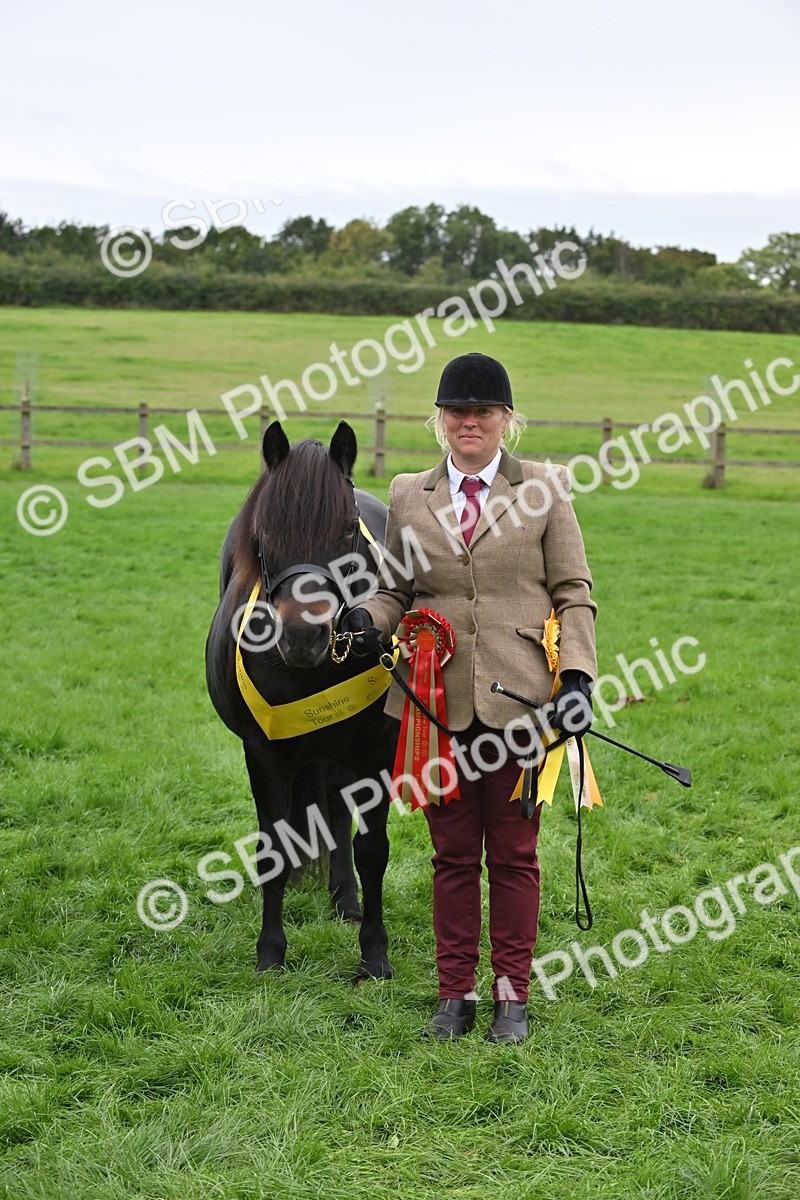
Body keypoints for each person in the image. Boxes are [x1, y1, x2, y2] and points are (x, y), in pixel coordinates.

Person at [342, 352, 597, 1043]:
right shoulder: (406, 493)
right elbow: (397, 589)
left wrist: (576, 678)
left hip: (524, 705)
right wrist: (371, 619)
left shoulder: (546, 488)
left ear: (506, 420)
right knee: (452, 856)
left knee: (514, 855)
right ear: (440, 420)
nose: (469, 422)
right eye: (457, 411)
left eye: (483, 411)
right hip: (435, 706)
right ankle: (454, 995)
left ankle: (511, 998)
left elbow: (574, 593)